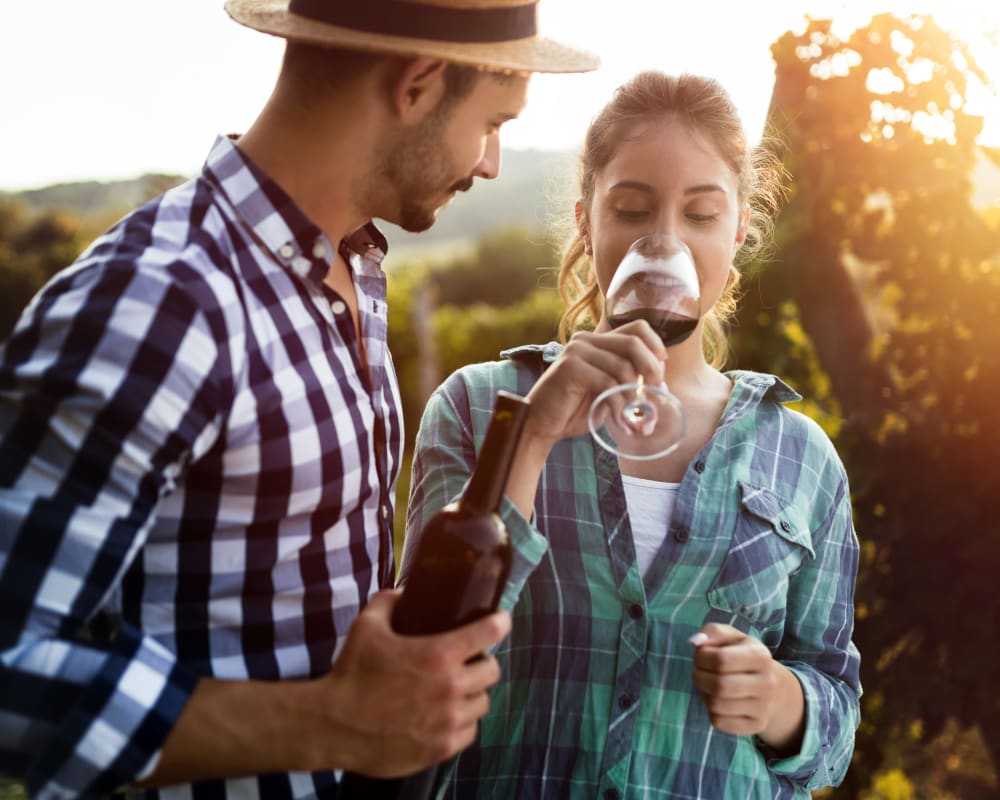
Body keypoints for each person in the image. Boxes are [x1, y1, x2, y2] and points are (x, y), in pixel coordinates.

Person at [0, 2, 598, 798]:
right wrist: (331, 721)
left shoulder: (353, 270)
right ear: (418, 84)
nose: (492, 162)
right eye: (493, 122)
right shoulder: (163, 303)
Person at [402, 71, 861, 798]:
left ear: (741, 227)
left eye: (702, 214)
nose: (664, 244)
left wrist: (781, 702)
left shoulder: (802, 459)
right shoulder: (478, 407)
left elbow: (835, 711)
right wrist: (537, 433)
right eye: (632, 208)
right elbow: (418, 661)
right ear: (585, 218)